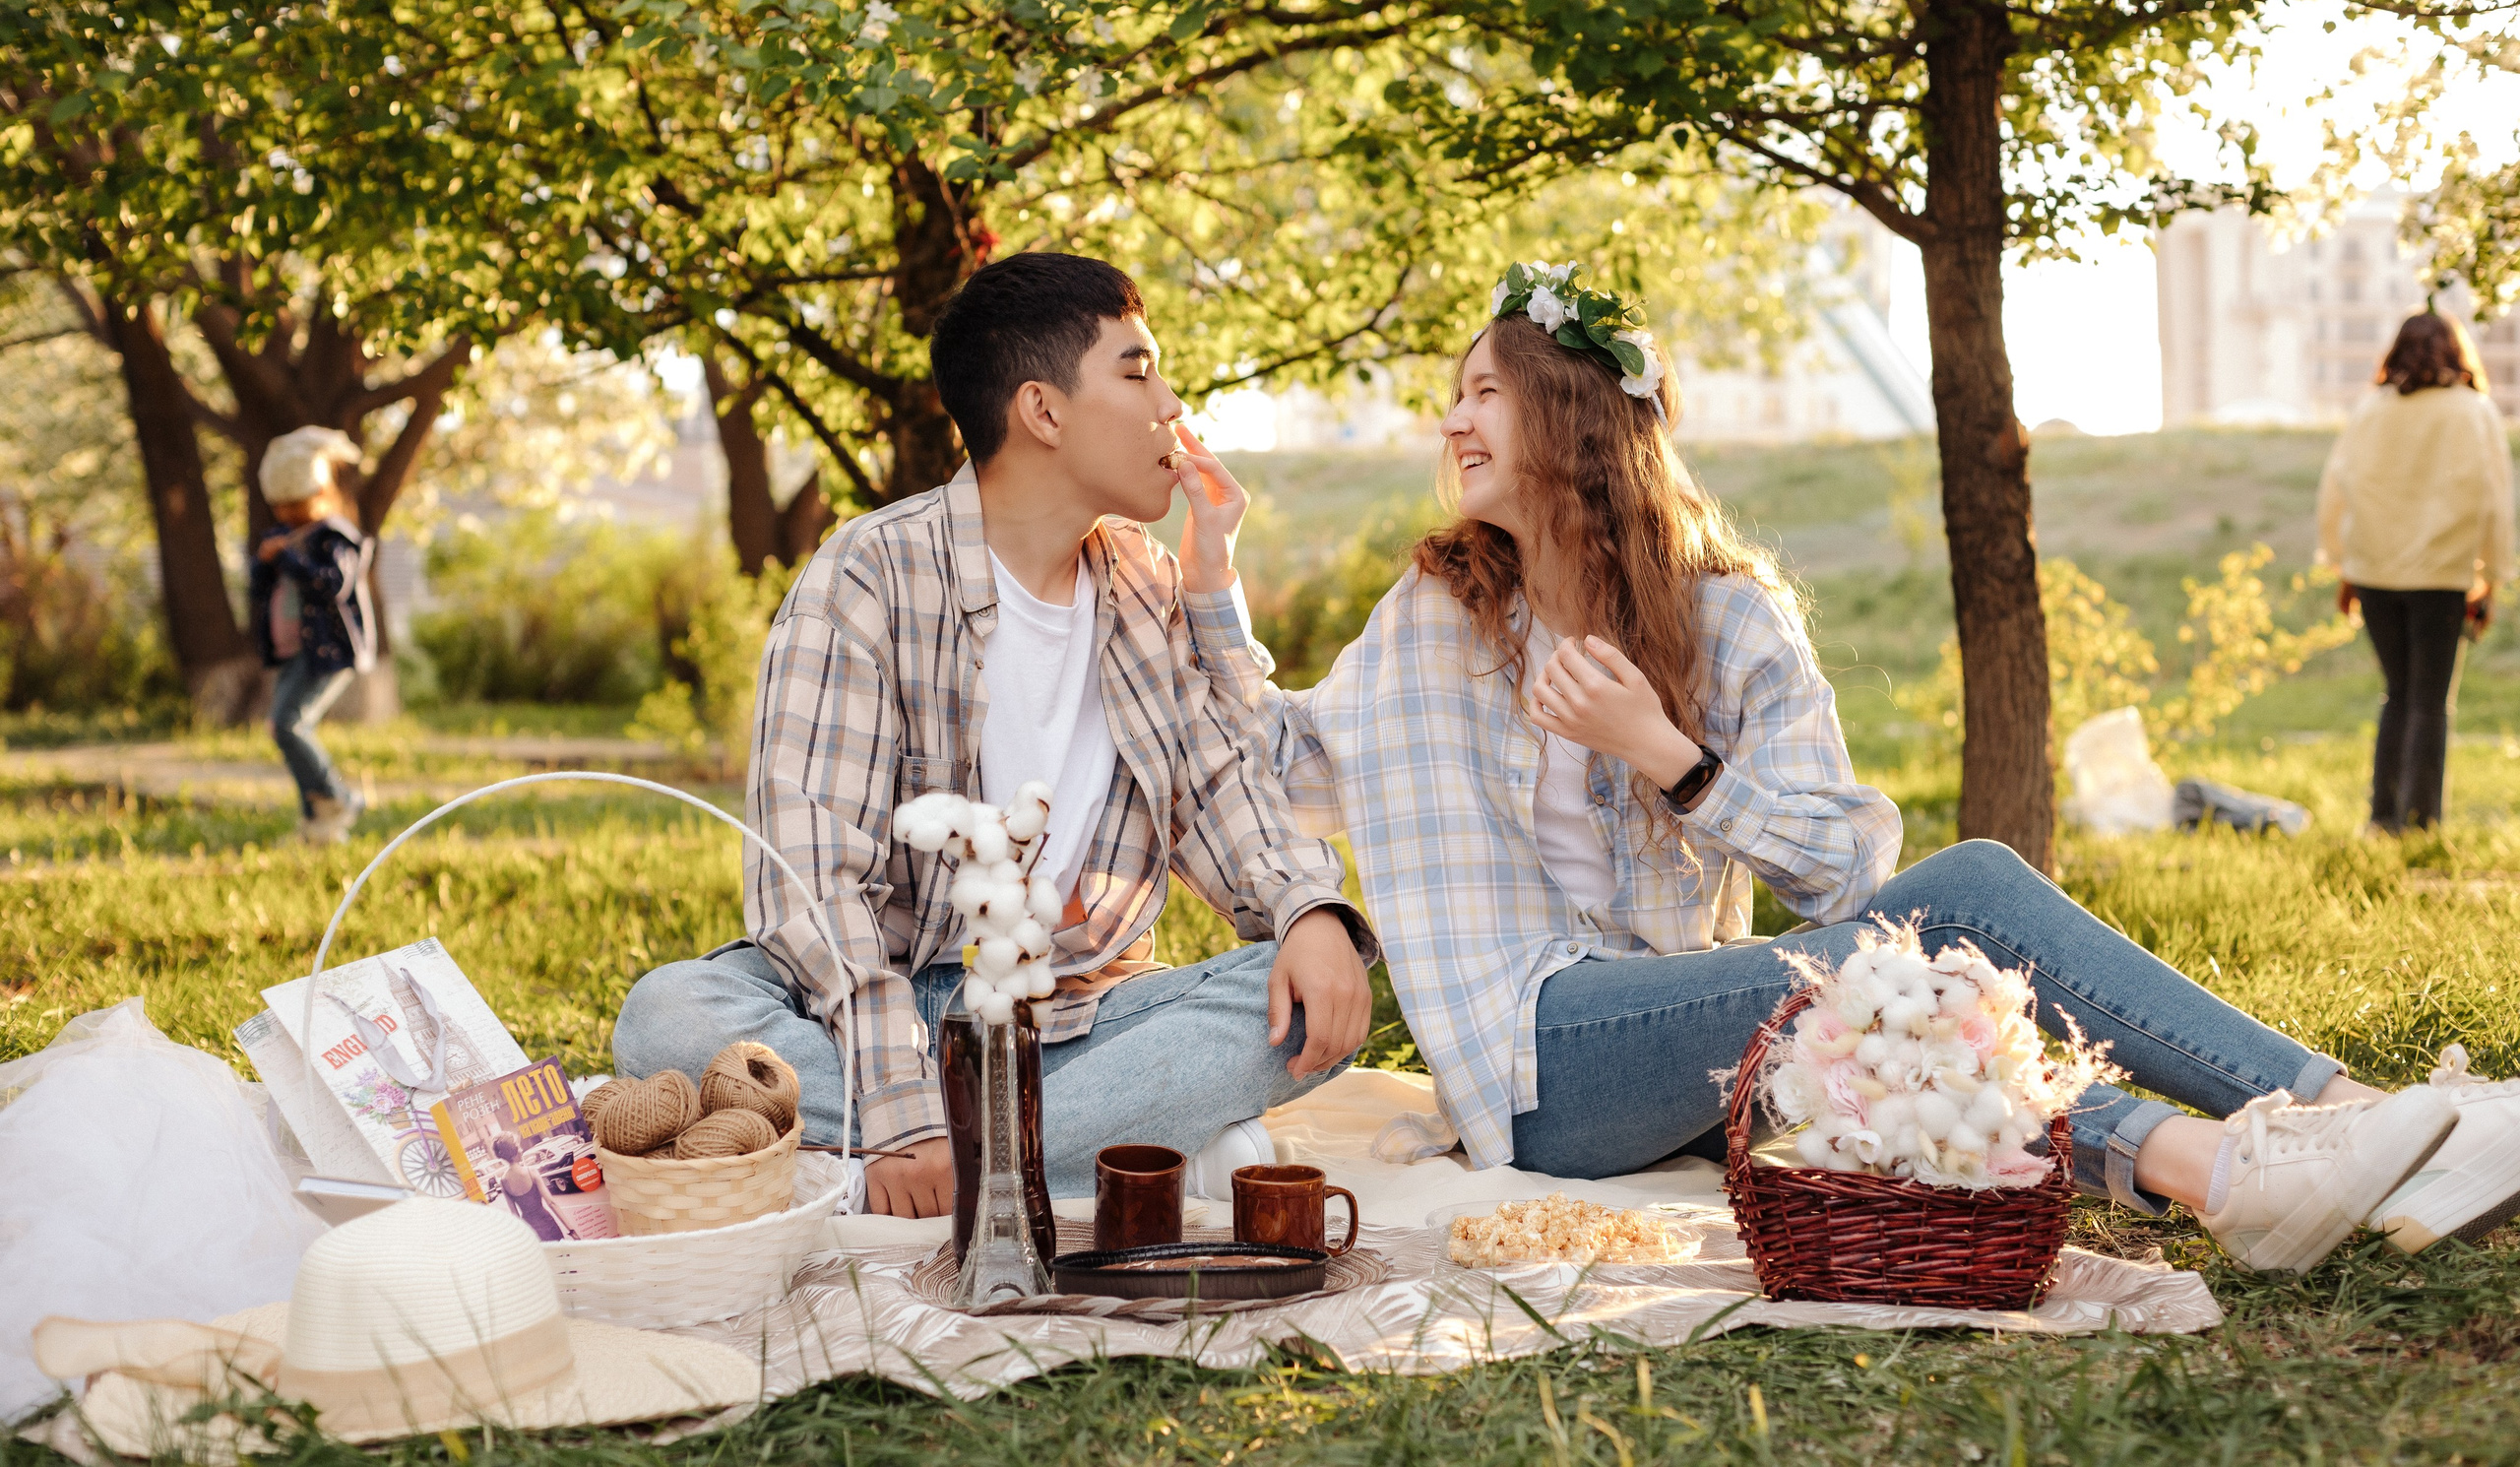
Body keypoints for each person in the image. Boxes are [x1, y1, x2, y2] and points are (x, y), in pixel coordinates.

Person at [1179, 261, 2520, 1271]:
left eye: (1483, 390)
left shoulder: (1728, 622)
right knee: (1970, 893)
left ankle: (2234, 1171)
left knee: (1910, 1020)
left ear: (1574, 414)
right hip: (1533, 1063)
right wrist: (1214, 579)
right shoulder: (1434, 620)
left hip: (1690, 1041)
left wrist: (1673, 758)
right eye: (1453, 394)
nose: (1452, 420)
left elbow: (1843, 868)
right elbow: (1281, 756)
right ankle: (2355, 1109)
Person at [610, 253, 1378, 1216]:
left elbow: (1221, 787)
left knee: (1309, 985)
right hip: (875, 1005)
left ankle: (940, 1157)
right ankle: (1094, 1139)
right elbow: (810, 885)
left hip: (1069, 1014)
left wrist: (1305, 908)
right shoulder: (869, 575)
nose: (1171, 404)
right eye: (1139, 370)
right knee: (671, 1016)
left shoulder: (1140, 584)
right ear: (1042, 411)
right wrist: (898, 1098)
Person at [2317, 312, 2514, 833]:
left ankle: (2382, 818)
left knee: (2397, 692)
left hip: (2374, 574)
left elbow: (2337, 489)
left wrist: (2343, 566)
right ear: (2456, 352)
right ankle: (2421, 823)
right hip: (2442, 575)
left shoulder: (2369, 411)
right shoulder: (2473, 412)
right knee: (2429, 698)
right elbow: (2495, 499)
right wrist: (2491, 576)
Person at [246, 426, 378, 846]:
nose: (285, 515)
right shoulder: (279, 538)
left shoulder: (333, 537)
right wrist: (266, 564)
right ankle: (318, 826)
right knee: (281, 727)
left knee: (289, 724)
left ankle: (339, 798)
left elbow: (332, 586)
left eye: (294, 505)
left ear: (318, 494)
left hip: (328, 651)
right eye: (279, 507)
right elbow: (257, 589)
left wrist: (286, 558)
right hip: (292, 651)